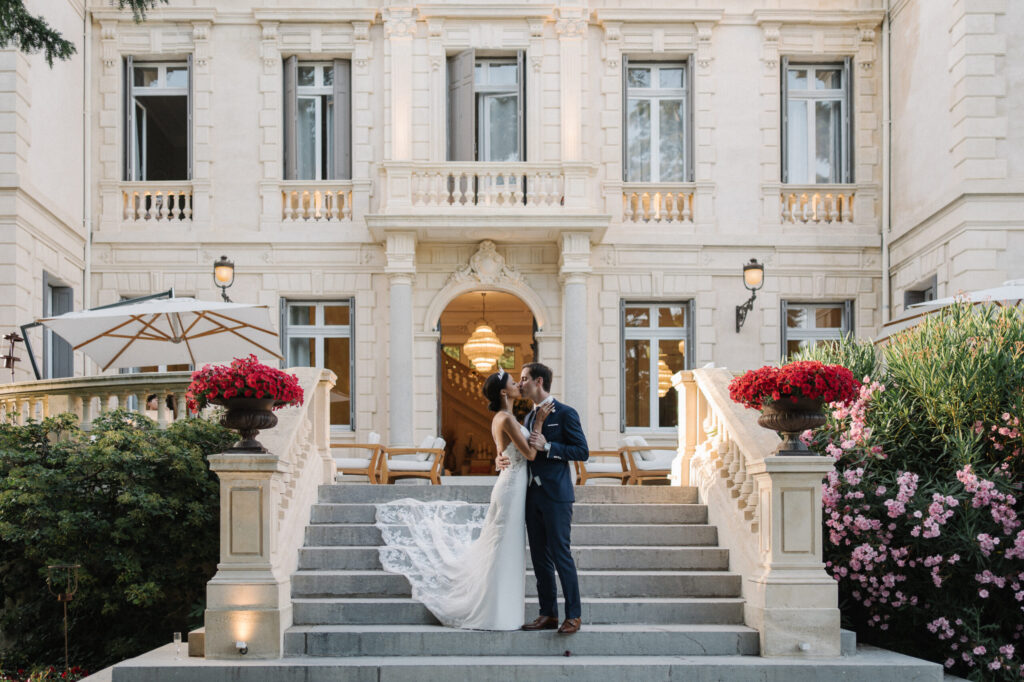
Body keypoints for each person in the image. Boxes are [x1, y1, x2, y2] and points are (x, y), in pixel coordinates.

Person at [374, 368, 552, 630]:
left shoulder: (506, 419)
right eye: (514, 383)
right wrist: (538, 425)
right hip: (511, 488)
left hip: (512, 486)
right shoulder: (507, 420)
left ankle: (504, 610)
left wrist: (503, 453)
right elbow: (530, 455)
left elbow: (503, 452)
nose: (518, 385)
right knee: (503, 548)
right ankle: (495, 612)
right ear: (504, 392)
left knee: (505, 548)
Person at [497, 361, 589, 635]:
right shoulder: (526, 417)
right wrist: (499, 455)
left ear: (539, 381)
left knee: (561, 554)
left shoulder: (566, 413)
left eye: (524, 379)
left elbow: (582, 451)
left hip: (556, 495)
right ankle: (547, 613)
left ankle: (573, 615)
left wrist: (548, 446)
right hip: (530, 495)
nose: (520, 384)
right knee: (539, 558)